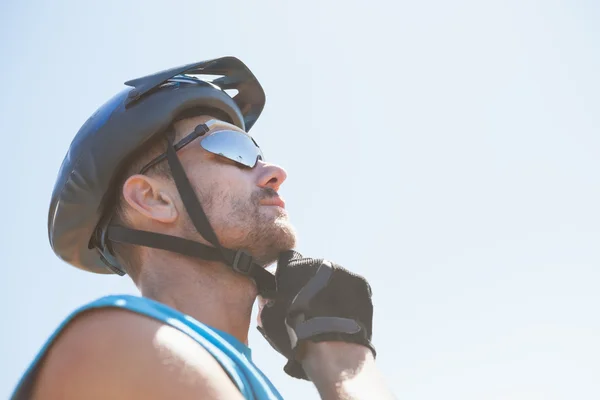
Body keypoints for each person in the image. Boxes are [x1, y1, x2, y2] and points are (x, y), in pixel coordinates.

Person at [11, 57, 395, 400]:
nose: (275, 172)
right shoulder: (125, 346)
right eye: (233, 148)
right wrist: (343, 358)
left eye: (257, 152)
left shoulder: (231, 375)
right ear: (153, 199)